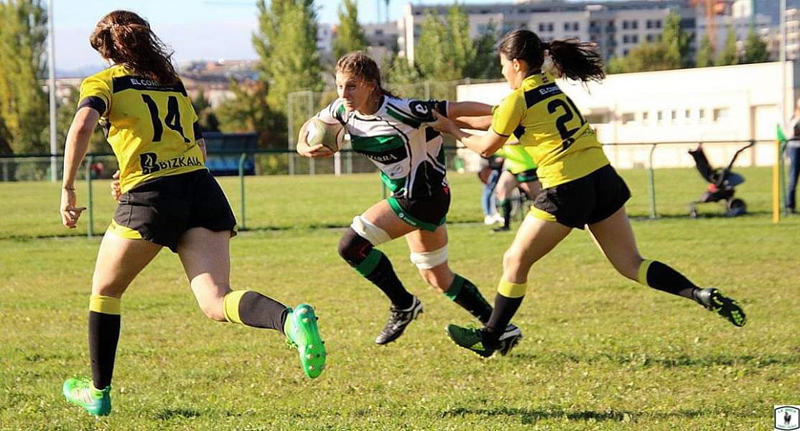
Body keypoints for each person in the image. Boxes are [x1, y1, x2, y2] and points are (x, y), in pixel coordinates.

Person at [59, 11, 325, 417]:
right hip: (201, 190)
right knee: (216, 299)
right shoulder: (172, 83)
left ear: (108, 50)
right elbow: (196, 150)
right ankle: (288, 321)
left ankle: (98, 392)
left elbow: (81, 127)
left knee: (105, 292)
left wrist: (68, 187)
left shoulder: (103, 82)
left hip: (152, 197)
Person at [430, 30, 747, 358]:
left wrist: (451, 129)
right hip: (602, 177)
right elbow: (493, 119)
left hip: (567, 186)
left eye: (502, 66)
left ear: (517, 63)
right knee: (630, 263)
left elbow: (485, 147)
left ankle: (491, 337)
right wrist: (446, 115)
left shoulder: (517, 99)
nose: (501, 72)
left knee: (514, 260)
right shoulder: (551, 89)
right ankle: (699, 294)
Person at [296, 51, 522, 349]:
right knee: (436, 276)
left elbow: (456, 110)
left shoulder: (404, 110)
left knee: (351, 246)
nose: (344, 93)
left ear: (371, 85)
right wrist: (303, 146)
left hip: (422, 198)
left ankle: (403, 305)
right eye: (339, 86)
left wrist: (505, 114)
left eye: (351, 86)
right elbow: (310, 124)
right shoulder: (341, 111)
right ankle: (500, 329)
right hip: (413, 198)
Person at [491, 144, 542, 232]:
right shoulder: (503, 133)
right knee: (501, 192)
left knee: (539, 198)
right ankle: (505, 224)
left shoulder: (516, 132)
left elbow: (519, 141)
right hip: (511, 168)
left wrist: (504, 142)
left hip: (527, 167)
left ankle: (549, 222)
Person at [478, 155, 504, 225]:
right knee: (487, 192)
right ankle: (488, 214)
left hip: (497, 168)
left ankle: (495, 213)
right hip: (488, 168)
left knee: (495, 192)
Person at [785, 99, 800, 214]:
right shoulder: (794, 120)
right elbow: (793, 133)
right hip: (795, 149)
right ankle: (790, 206)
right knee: (793, 179)